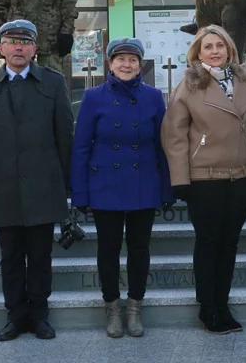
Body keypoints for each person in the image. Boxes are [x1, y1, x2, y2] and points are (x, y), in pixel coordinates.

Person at [0, 20, 74, 341]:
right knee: (11, 257)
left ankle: (40, 316)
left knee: (41, 255)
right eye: (11, 42)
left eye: (24, 42)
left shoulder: (53, 83)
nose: (18, 47)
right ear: (0, 49)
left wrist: (68, 189)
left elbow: (65, 138)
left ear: (34, 48)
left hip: (44, 186)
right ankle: (15, 316)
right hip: (4, 189)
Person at [162, 25, 246, 335]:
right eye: (207, 46)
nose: (214, 51)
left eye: (220, 45)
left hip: (242, 176)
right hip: (204, 177)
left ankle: (222, 304)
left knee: (230, 242)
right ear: (198, 52)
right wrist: (180, 178)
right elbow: (175, 135)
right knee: (209, 242)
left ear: (229, 50)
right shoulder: (189, 86)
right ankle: (208, 307)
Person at [71, 37, 173, 338]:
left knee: (140, 248)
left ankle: (135, 306)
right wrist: (79, 191)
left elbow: (162, 145)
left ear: (140, 65)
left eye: (132, 59)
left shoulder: (154, 97)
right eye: (120, 59)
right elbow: (80, 147)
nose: (126, 64)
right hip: (105, 183)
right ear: (110, 64)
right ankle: (112, 307)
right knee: (109, 248)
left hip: (144, 182)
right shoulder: (92, 97)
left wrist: (167, 188)